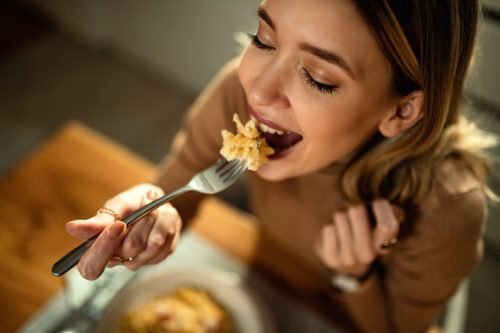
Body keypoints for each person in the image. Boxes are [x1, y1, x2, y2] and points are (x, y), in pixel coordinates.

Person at [65, 0, 498, 332]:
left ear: (402, 111)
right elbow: (179, 191)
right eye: (264, 40)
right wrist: (152, 213)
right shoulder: (238, 93)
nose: (260, 92)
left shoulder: (448, 205)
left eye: (319, 78)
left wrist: (355, 278)